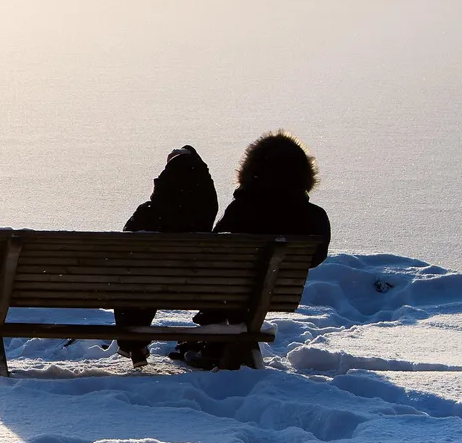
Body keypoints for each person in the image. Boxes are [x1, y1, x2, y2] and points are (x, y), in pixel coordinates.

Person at [181, 131, 331, 368]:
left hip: (228, 293)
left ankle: (215, 341)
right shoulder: (314, 217)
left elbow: (212, 252)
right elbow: (316, 257)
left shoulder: (240, 210)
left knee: (230, 281)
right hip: (271, 294)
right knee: (245, 285)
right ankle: (220, 342)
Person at [115, 145, 217, 367]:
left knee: (133, 278)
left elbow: (122, 255)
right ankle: (134, 342)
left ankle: (132, 342)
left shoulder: (148, 214)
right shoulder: (205, 221)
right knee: (146, 278)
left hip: (147, 285)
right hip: (193, 289)